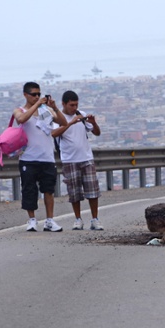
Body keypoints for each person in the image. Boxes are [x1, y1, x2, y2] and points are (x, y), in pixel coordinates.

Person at [14, 82, 68, 232]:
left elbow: (63, 123)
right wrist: (37, 104)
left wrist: (54, 108)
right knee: (29, 190)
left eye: (39, 94)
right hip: (28, 158)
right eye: (34, 94)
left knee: (48, 190)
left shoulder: (47, 111)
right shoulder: (19, 110)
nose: (37, 97)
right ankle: (32, 220)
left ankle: (49, 220)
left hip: (47, 157)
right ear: (25, 95)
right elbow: (21, 119)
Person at [51, 90, 103, 230]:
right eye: (71, 105)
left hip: (86, 157)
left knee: (92, 190)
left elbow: (97, 133)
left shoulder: (82, 115)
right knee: (74, 192)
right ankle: (78, 219)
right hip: (69, 159)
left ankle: (95, 219)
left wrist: (93, 123)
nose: (74, 108)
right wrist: (70, 123)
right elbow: (54, 133)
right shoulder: (58, 118)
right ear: (64, 104)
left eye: (76, 105)